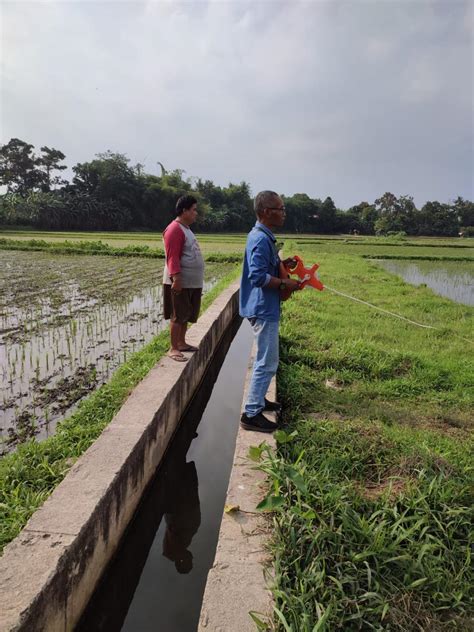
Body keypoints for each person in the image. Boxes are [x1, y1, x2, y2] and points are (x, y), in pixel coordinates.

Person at [239, 190, 301, 432]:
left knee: (266, 359)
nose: (284, 213)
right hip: (263, 307)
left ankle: (259, 399)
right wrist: (286, 283)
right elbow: (256, 276)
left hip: (264, 305)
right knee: (268, 360)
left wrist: (282, 266)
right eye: (280, 209)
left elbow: (265, 268)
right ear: (266, 212)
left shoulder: (263, 236)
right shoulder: (261, 239)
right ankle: (251, 413)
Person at [163, 195, 204, 362]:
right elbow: (172, 257)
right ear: (184, 210)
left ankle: (181, 342)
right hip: (180, 281)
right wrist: (176, 279)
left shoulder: (186, 229)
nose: (196, 213)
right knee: (178, 315)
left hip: (191, 282)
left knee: (186, 314)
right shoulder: (174, 229)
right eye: (193, 210)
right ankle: (173, 348)